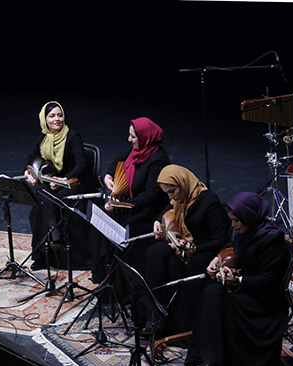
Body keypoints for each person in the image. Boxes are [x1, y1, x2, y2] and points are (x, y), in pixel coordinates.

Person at [184, 192, 289, 366]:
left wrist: (239, 280)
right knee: (212, 292)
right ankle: (207, 360)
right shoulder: (247, 232)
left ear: (249, 217)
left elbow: (269, 280)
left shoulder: (271, 240)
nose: (233, 225)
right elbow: (234, 248)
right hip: (248, 291)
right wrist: (218, 260)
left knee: (216, 297)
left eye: (236, 221)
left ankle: (210, 361)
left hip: (264, 302)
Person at [143, 164, 230, 334]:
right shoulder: (179, 198)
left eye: (172, 191)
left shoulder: (209, 202)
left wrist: (194, 247)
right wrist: (158, 220)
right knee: (153, 253)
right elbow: (169, 206)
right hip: (183, 243)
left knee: (175, 265)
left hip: (204, 249)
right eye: (167, 193)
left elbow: (221, 239)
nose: (171, 196)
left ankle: (179, 325)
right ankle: (155, 311)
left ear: (182, 183)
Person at [97, 117, 170, 281]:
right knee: (103, 220)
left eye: (133, 136)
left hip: (147, 211)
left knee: (121, 227)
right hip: (131, 205)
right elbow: (118, 161)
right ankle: (106, 275)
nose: (129, 140)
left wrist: (121, 204)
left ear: (145, 137)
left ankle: (124, 280)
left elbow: (151, 196)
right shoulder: (134, 151)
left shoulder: (158, 159)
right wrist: (109, 175)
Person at [24, 101, 92, 270]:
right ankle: (44, 253)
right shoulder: (44, 137)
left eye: (59, 115)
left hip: (72, 181)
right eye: (52, 116)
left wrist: (62, 181)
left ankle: (68, 252)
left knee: (57, 199)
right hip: (51, 182)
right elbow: (30, 158)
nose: (57, 119)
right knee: (40, 196)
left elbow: (81, 165)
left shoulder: (72, 136)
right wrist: (29, 173)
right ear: (44, 119)